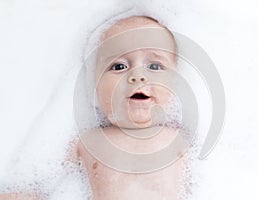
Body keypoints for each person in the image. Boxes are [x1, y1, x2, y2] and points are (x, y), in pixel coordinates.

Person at [0, 15, 189, 200]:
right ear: (95, 87)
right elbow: (41, 187)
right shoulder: (88, 142)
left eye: (155, 66)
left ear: (175, 85)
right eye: (119, 66)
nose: (137, 75)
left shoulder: (180, 139)